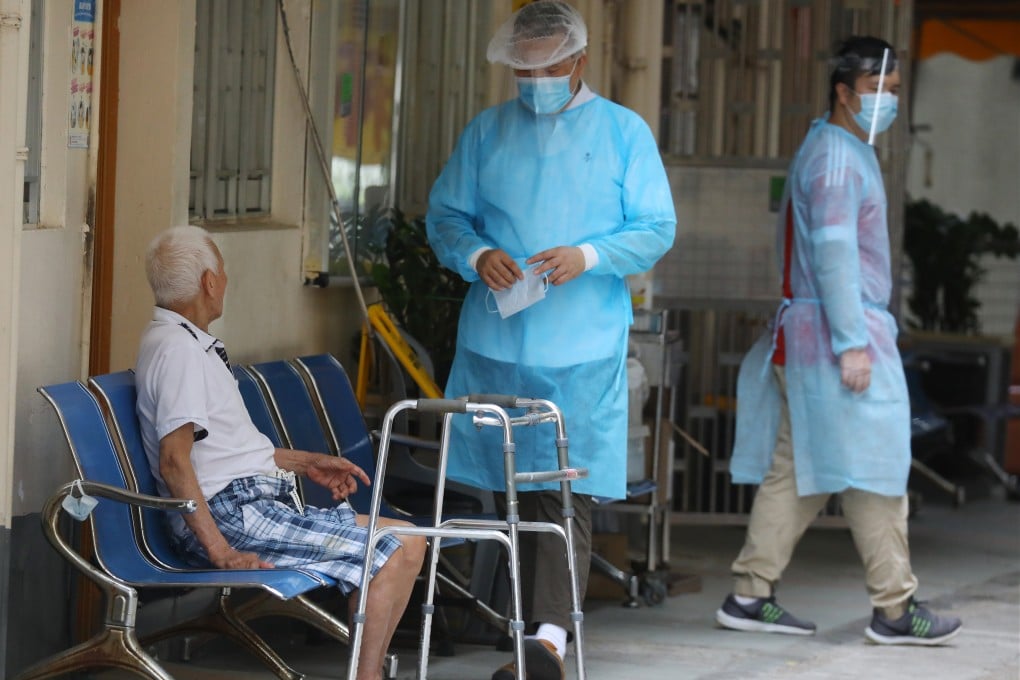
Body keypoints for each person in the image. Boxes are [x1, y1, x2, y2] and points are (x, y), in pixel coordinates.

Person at [426, 2, 676, 678]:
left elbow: (655, 226)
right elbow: (446, 214)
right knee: (503, 491)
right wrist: (477, 255)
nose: (537, 78)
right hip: (497, 340)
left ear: (580, 61)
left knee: (564, 491)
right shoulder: (487, 133)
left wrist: (589, 256)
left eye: (551, 65)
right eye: (525, 68)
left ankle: (548, 640)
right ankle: (513, 623)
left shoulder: (624, 134)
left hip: (580, 347)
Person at [716, 36, 963, 646]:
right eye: (877, 91)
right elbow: (833, 257)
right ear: (843, 92)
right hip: (833, 339)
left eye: (895, 91)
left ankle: (750, 592)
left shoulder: (840, 149)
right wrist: (852, 343)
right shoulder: (836, 159)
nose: (887, 101)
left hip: (812, 338)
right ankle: (896, 608)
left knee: (800, 472)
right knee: (874, 470)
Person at [135, 225, 426, 680]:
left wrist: (307, 462)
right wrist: (221, 551)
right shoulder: (179, 352)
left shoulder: (188, 344)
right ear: (210, 281)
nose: (225, 282)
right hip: (232, 515)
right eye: (224, 273)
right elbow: (175, 459)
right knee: (388, 553)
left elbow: (228, 451)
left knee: (410, 539)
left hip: (251, 505)